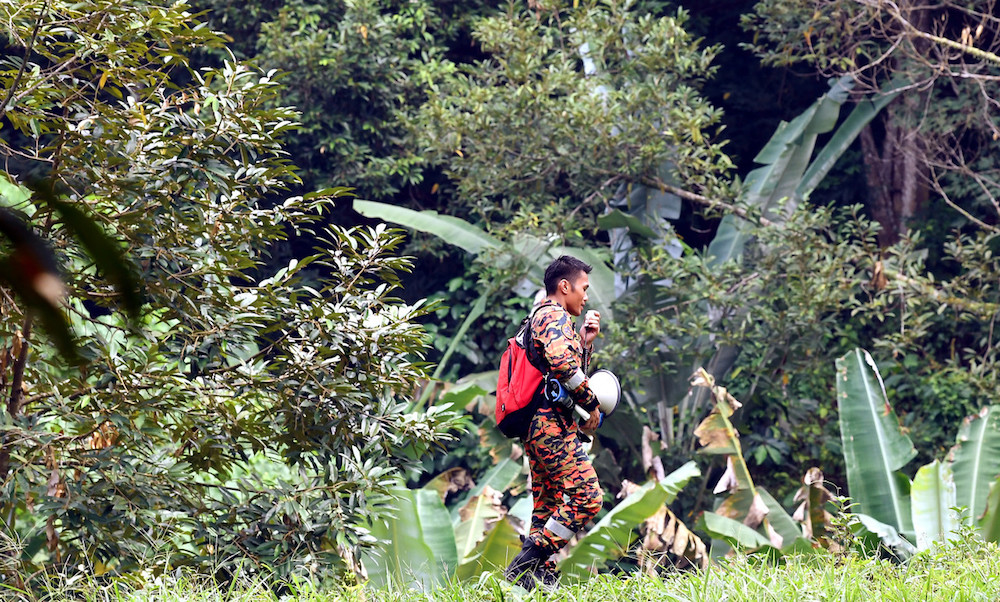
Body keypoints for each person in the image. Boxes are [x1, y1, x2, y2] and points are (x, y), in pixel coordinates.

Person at [504, 255, 604, 591]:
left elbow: (565, 368)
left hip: (538, 426)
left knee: (547, 503)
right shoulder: (553, 315)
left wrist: (585, 344)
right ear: (565, 286)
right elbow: (562, 363)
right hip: (550, 425)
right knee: (587, 496)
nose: (586, 297)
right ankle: (526, 563)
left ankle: (536, 579)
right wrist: (591, 404)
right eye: (584, 288)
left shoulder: (545, 318)